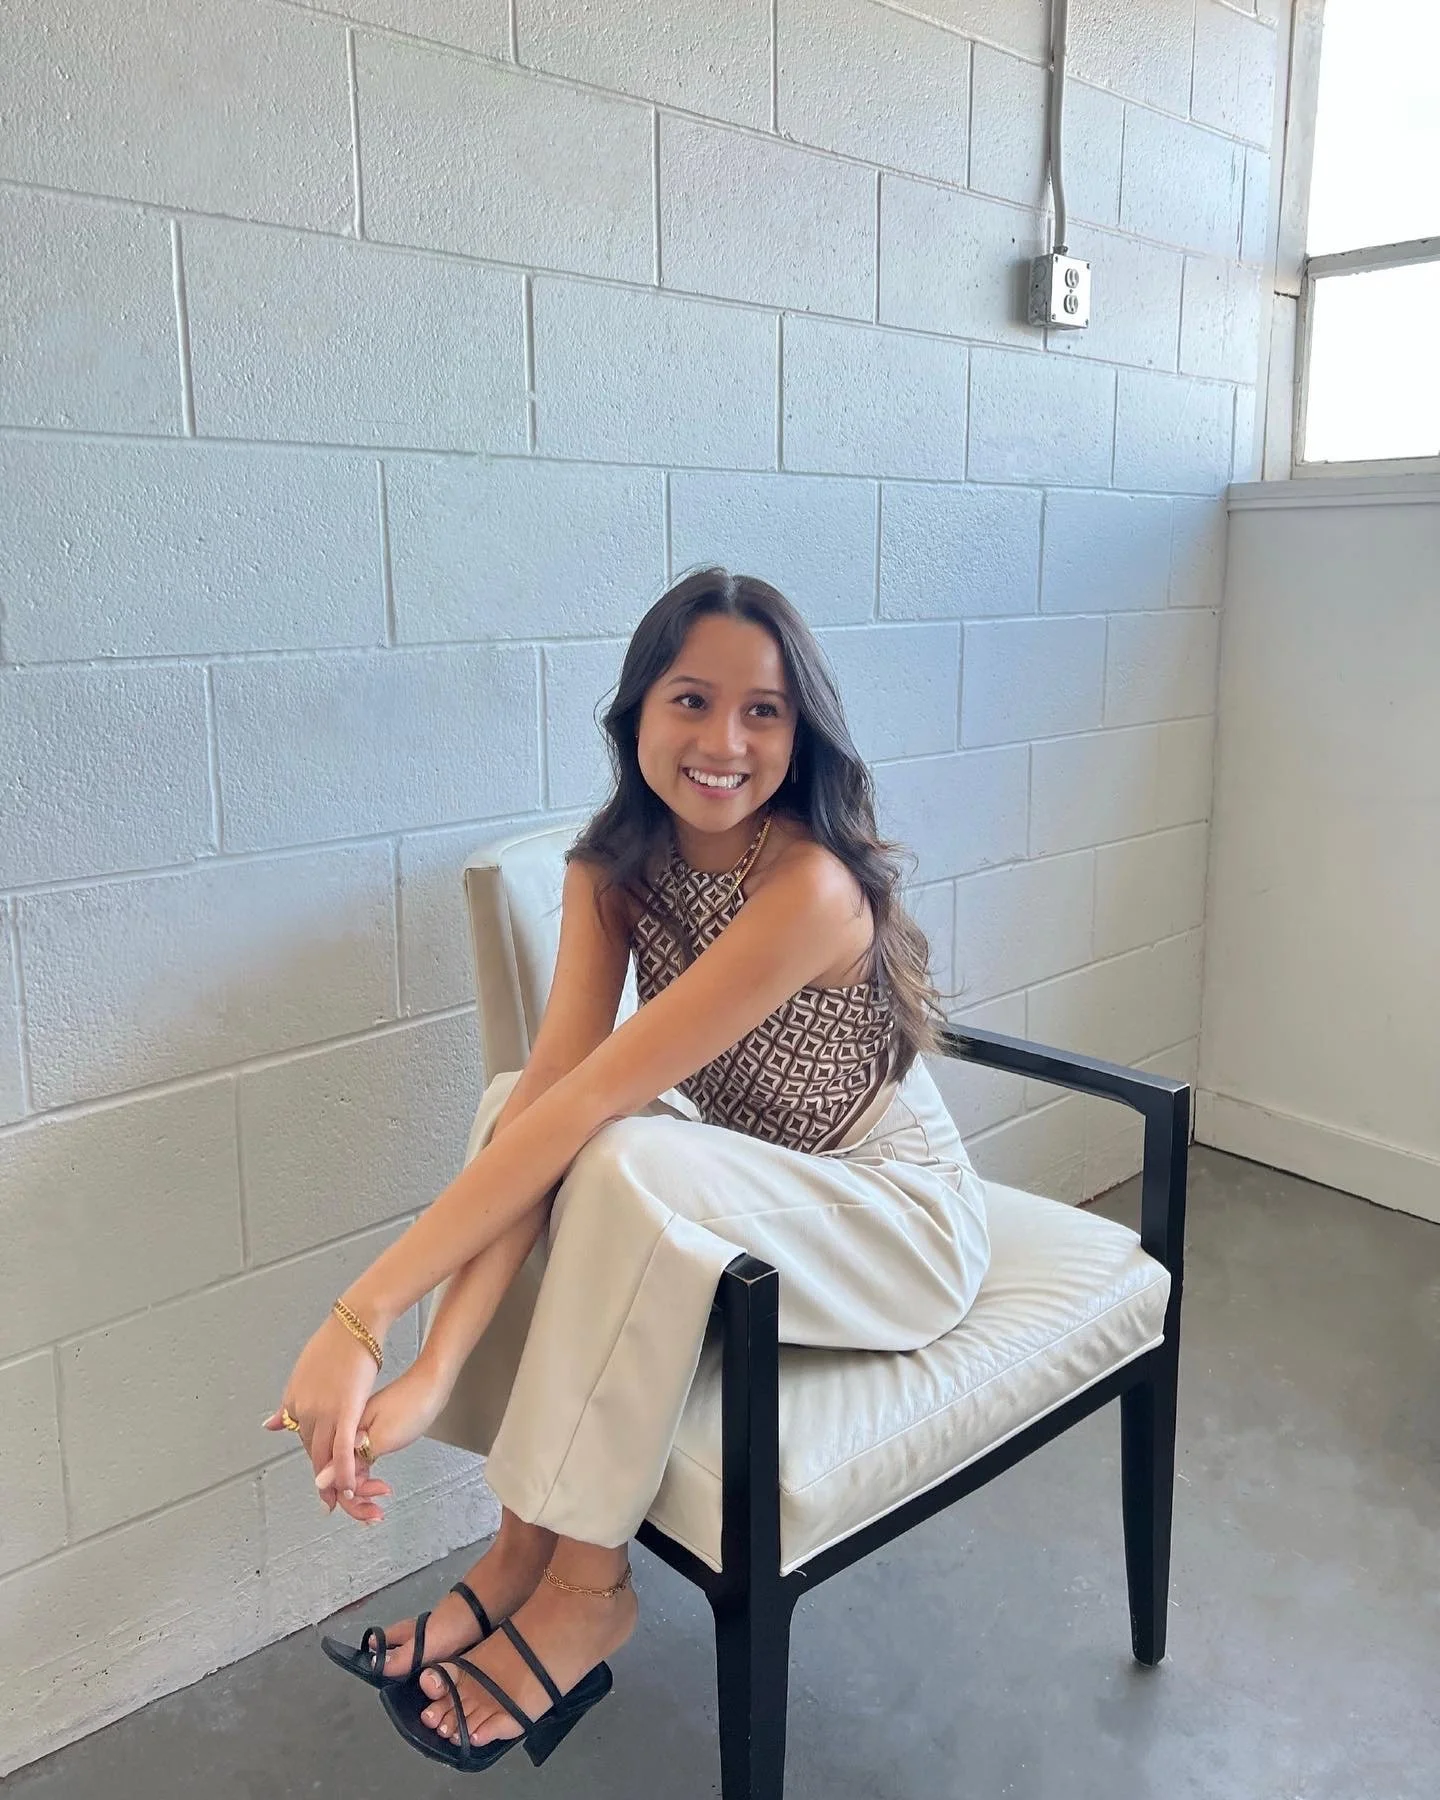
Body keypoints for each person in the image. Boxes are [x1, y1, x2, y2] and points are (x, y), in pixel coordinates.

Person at [264, 568, 991, 1773]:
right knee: (520, 1101)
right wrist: (428, 1362)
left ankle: (589, 1589)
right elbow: (548, 1100)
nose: (723, 741)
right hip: (756, 1185)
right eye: (691, 700)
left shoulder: (805, 884)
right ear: (636, 715)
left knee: (625, 1152)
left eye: (763, 711)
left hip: (892, 1213)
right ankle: (518, 1554)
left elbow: (603, 1109)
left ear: (800, 730)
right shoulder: (612, 868)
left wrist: (363, 1311)